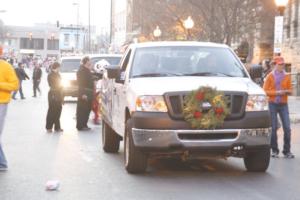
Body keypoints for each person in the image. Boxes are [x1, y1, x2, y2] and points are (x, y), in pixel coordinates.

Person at [263, 56, 294, 159]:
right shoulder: (269, 76)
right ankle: (274, 150)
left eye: (283, 64)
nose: (281, 66)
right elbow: (265, 91)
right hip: (272, 104)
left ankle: (287, 151)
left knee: (287, 128)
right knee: (274, 127)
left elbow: (291, 90)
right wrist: (277, 93)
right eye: (279, 64)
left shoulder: (287, 76)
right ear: (275, 64)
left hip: (283, 104)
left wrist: (286, 91)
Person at [0, 46, 19, 171]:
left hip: (1, 103)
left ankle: (2, 163)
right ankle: (2, 163)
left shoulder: (6, 66)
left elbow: (15, 85)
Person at [76, 56, 94, 131]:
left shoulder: (86, 69)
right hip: (84, 93)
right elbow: (81, 84)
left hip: (88, 92)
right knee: (82, 110)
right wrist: (83, 94)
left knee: (87, 109)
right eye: (89, 61)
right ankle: (81, 125)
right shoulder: (81, 71)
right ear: (86, 62)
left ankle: (84, 124)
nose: (91, 62)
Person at [46, 62, 64, 133]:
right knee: (52, 111)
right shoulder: (50, 75)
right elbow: (52, 84)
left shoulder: (58, 74)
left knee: (58, 110)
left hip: (59, 93)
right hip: (53, 94)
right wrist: (60, 86)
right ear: (56, 67)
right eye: (59, 67)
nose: (59, 68)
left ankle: (57, 127)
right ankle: (49, 127)